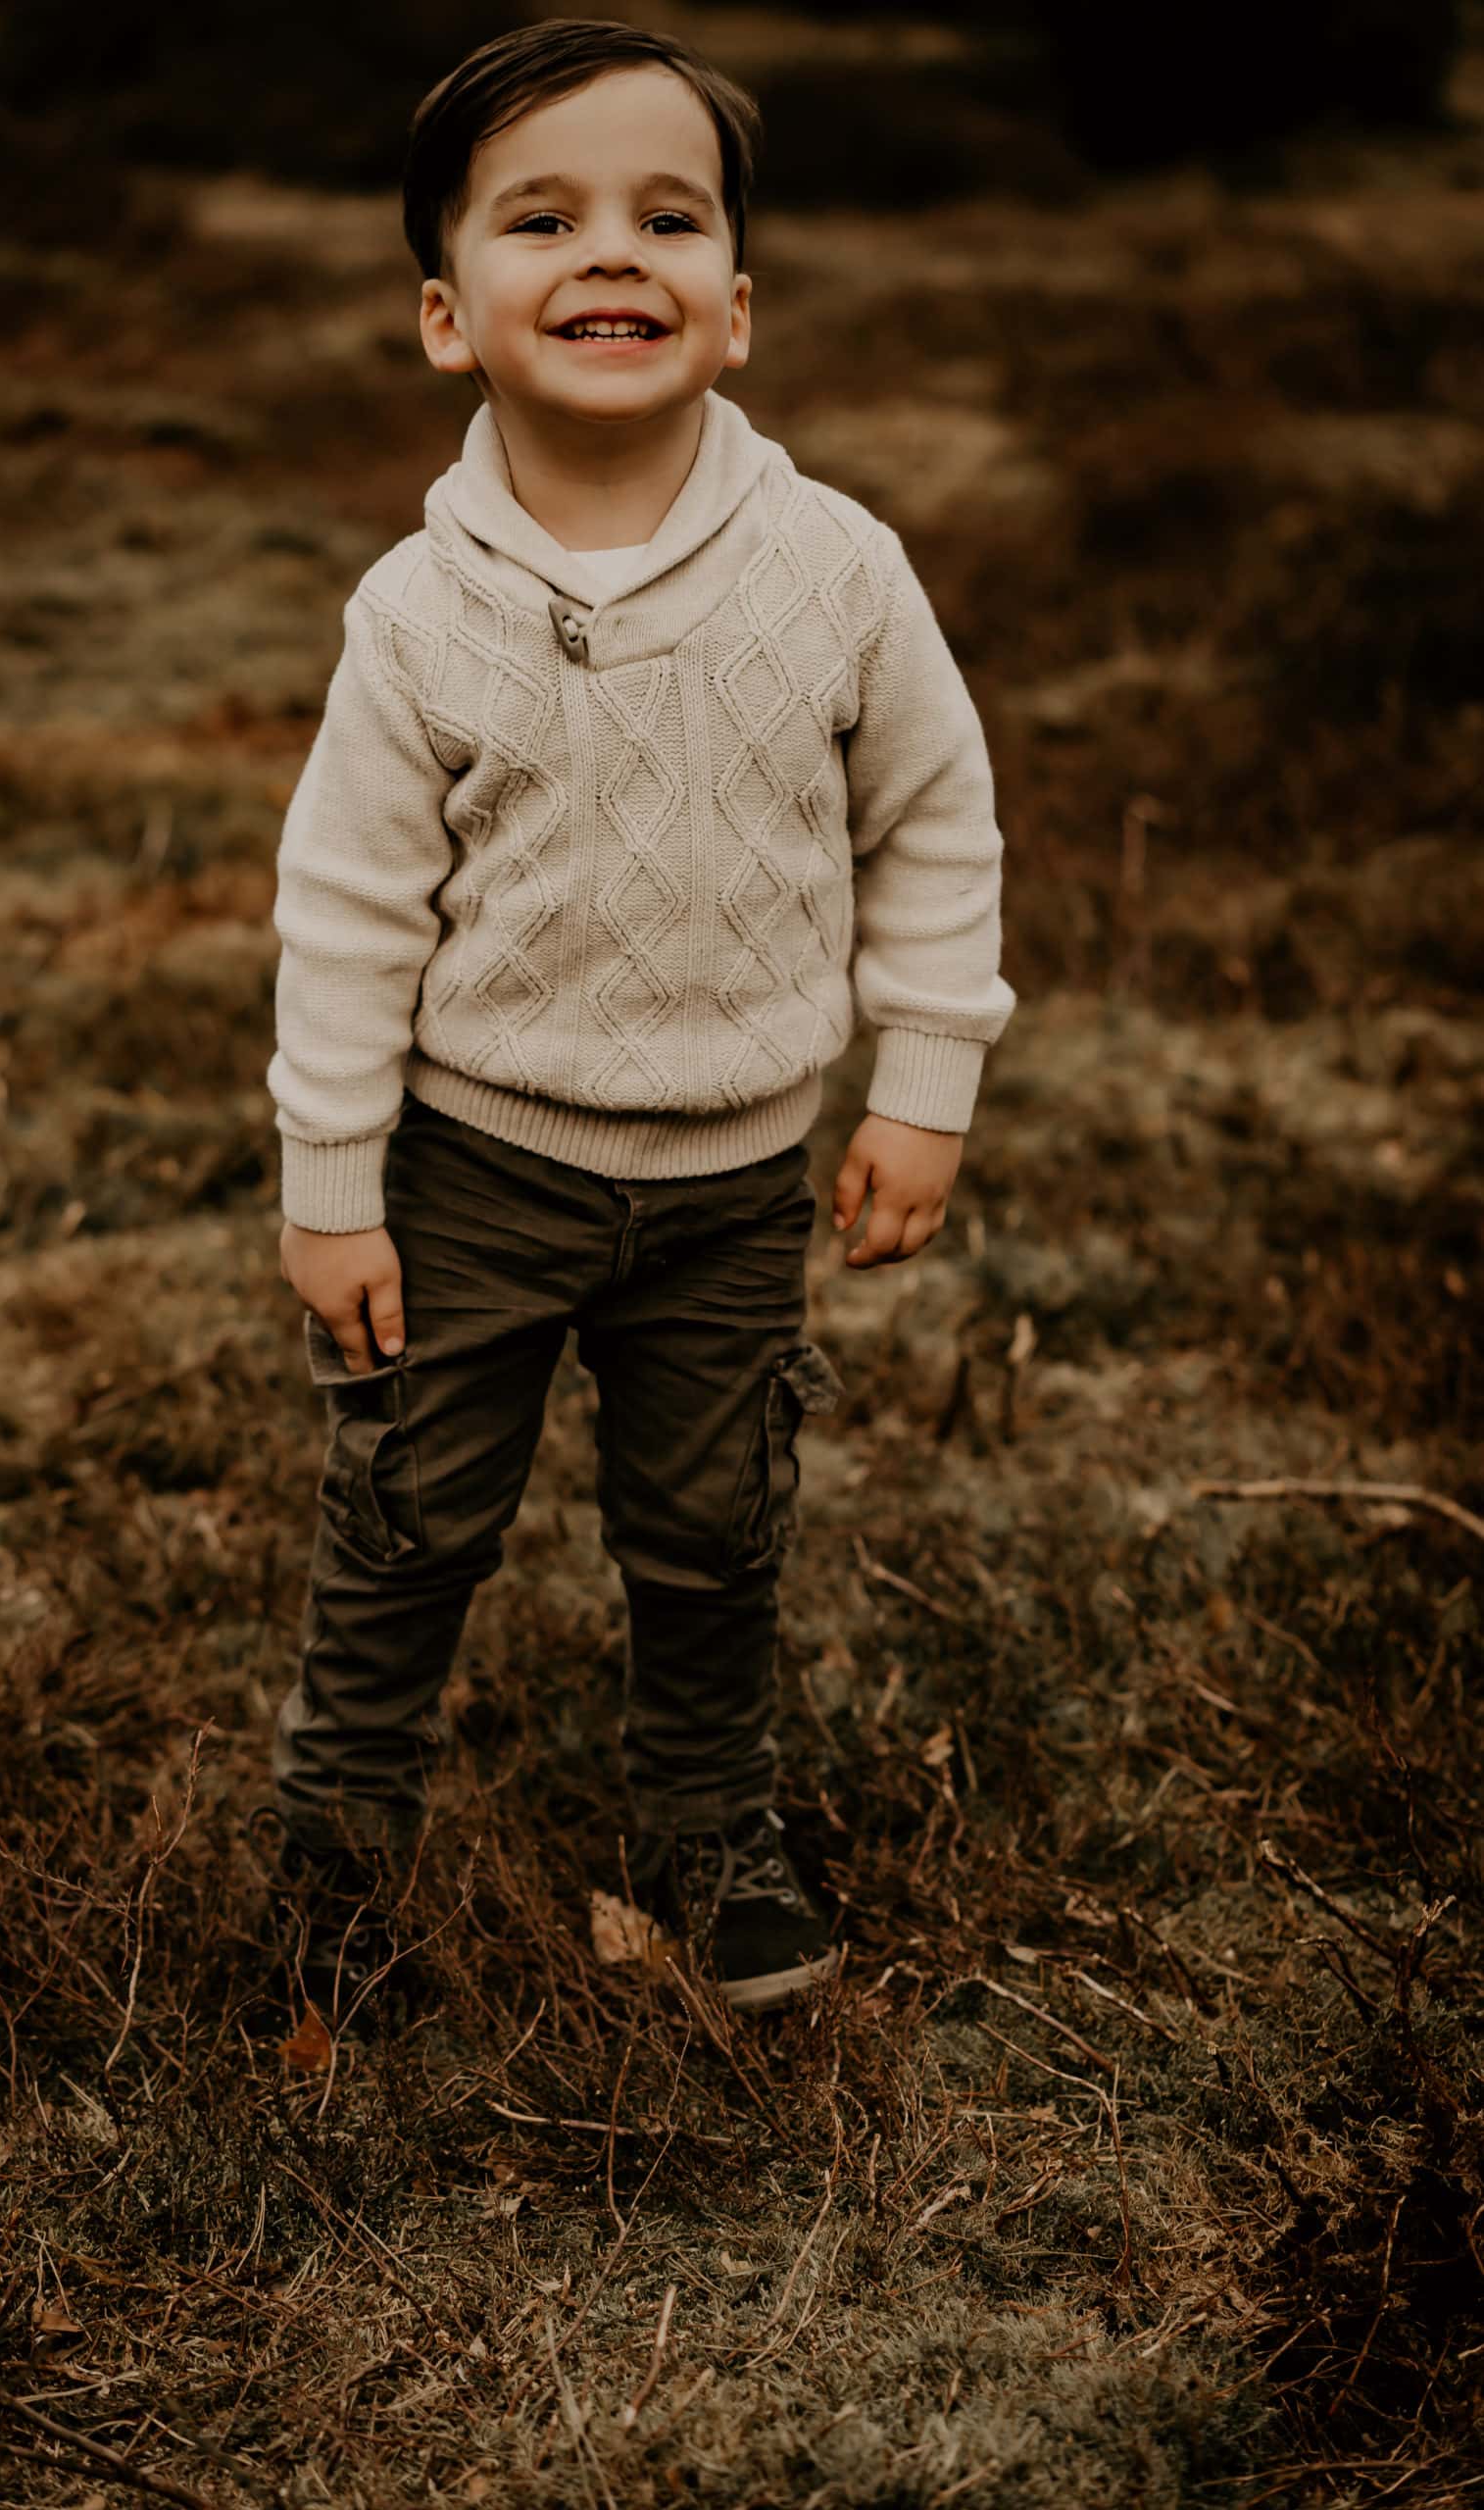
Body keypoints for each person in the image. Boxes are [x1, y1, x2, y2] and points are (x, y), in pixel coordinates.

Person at [259, 17, 1016, 2027]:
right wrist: (332, 1184)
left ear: (736, 303)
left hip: (730, 1178)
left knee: (708, 1535)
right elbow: (340, 912)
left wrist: (920, 1082)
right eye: (543, 217)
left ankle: (704, 1831)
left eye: (662, 214)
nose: (611, 252)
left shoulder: (834, 571)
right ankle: (337, 1846)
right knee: (410, 1522)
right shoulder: (413, 616)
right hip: (472, 1169)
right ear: (448, 315)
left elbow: (934, 824)